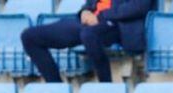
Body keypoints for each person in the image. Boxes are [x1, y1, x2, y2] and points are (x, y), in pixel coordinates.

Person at [21, 0, 150, 83]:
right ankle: (56, 86)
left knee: (88, 35)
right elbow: (89, 5)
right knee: (29, 36)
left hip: (116, 24)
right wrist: (84, 12)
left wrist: (101, 16)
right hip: (88, 22)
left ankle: (106, 85)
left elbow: (139, 7)